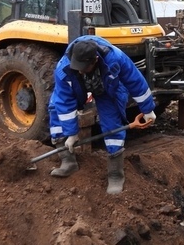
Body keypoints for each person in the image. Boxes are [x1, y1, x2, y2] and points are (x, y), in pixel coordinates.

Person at [48, 35, 156, 193]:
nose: (80, 70)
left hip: (106, 88)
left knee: (112, 124)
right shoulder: (64, 69)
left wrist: (147, 110)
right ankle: (67, 161)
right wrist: (71, 134)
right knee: (56, 110)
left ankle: (115, 174)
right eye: (77, 66)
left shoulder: (115, 58)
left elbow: (135, 81)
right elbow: (64, 101)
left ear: (95, 60)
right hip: (78, 87)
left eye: (83, 68)